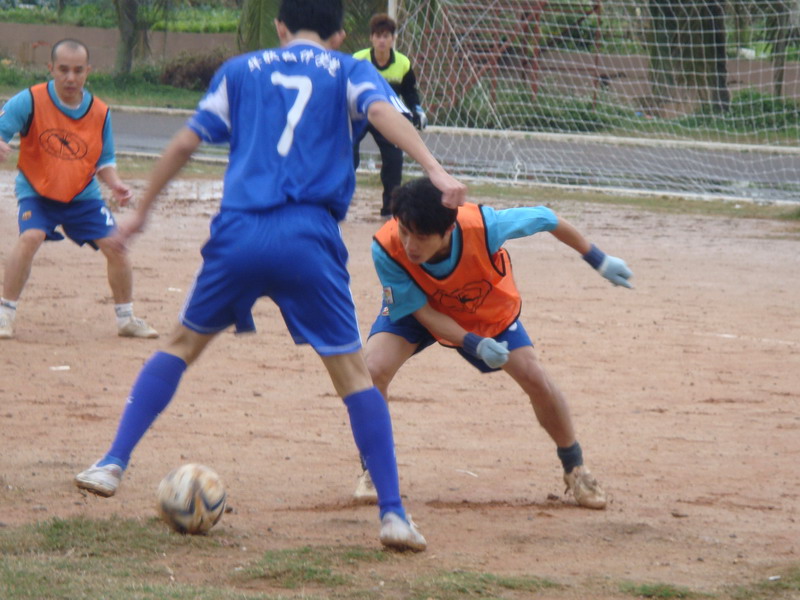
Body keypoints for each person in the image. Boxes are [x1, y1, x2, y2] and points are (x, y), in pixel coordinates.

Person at [74, 0, 466, 552]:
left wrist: (140, 214)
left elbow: (186, 141)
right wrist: (435, 168)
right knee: (354, 376)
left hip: (239, 231)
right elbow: (382, 114)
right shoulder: (348, 69)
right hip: (308, 237)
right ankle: (394, 515)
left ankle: (112, 463)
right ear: (340, 35)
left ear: (280, 26)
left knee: (181, 345)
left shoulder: (240, 70)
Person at [351, 177, 634, 510]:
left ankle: (576, 468)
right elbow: (424, 313)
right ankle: (376, 468)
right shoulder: (386, 246)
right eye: (404, 231)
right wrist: (474, 344)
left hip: (482, 308)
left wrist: (598, 259)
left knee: (534, 376)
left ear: (448, 230)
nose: (410, 245)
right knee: (372, 370)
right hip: (419, 307)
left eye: (422, 237)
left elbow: (547, 218)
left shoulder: (483, 227)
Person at [0, 39, 158, 340]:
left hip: (82, 196)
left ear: (88, 71)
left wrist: (116, 183)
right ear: (50, 69)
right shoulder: (29, 100)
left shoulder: (100, 112)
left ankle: (126, 319)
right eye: (63, 70)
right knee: (31, 237)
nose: (70, 78)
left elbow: (104, 160)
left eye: (77, 70)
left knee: (116, 246)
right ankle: (4, 314)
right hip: (37, 191)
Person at [353, 13, 427, 219]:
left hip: (387, 118)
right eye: (378, 36)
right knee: (346, 156)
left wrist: (417, 109)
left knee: (394, 160)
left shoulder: (402, 63)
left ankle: (390, 210)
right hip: (359, 115)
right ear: (371, 38)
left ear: (393, 38)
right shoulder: (358, 60)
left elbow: (409, 92)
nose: (382, 41)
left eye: (386, 36)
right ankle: (339, 201)